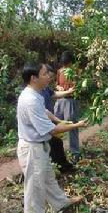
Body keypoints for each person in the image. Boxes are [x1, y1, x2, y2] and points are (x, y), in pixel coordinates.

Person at [17, 62, 87, 213]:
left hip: (39, 147)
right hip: (32, 150)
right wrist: (76, 125)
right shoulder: (30, 100)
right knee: (35, 189)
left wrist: (60, 120)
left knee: (48, 180)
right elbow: (52, 130)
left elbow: (46, 113)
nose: (49, 76)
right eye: (44, 74)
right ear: (33, 78)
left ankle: (62, 204)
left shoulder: (35, 94)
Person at [41, 64, 75, 172]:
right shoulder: (36, 91)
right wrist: (76, 125)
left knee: (56, 143)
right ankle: (59, 166)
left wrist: (68, 92)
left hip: (50, 118)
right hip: (43, 122)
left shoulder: (46, 88)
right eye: (47, 76)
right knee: (53, 144)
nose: (49, 79)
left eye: (51, 77)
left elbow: (55, 94)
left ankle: (61, 166)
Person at [54, 51, 81, 164]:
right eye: (64, 64)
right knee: (55, 126)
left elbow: (77, 86)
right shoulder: (59, 71)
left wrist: (69, 90)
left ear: (70, 62)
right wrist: (59, 87)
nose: (65, 66)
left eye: (67, 64)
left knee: (71, 126)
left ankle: (75, 153)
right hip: (60, 101)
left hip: (70, 101)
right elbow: (56, 84)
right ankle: (55, 151)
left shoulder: (76, 72)